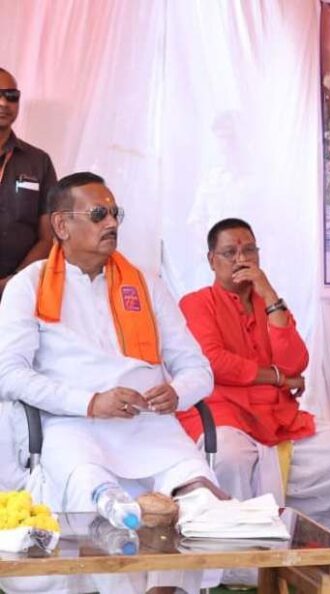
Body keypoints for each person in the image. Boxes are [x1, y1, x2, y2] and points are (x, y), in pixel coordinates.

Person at [0, 172, 224, 594]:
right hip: (72, 427)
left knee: (201, 498)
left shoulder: (146, 284)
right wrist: (89, 402)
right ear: (62, 225)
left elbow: (198, 368)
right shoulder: (28, 286)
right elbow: (8, 374)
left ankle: (166, 589)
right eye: (98, 214)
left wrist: (177, 392)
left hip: (151, 427)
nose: (112, 223)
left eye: (115, 213)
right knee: (97, 499)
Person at [177, 218, 314, 505]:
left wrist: (269, 293)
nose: (241, 260)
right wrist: (278, 378)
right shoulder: (196, 303)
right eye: (230, 252)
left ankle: (306, 530)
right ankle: (236, 531)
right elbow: (214, 362)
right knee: (230, 456)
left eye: (249, 250)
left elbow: (296, 362)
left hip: (275, 415)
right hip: (221, 410)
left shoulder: (271, 304)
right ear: (211, 260)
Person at [0, 67, 57, 298]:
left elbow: (48, 237)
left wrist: (14, 282)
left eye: (11, 96)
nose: (4, 103)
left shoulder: (39, 162)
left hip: (19, 291)